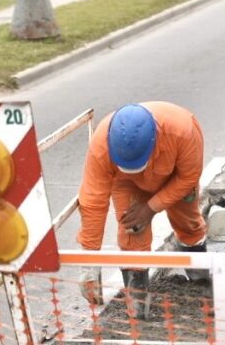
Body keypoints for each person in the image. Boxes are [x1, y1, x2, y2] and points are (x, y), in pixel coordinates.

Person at [77, 102, 207, 308]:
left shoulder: (183, 131)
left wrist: (150, 208)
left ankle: (201, 283)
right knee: (132, 234)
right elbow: (93, 201)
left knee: (188, 223)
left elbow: (189, 177)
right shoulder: (101, 145)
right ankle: (138, 309)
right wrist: (89, 261)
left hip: (175, 177)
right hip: (127, 184)